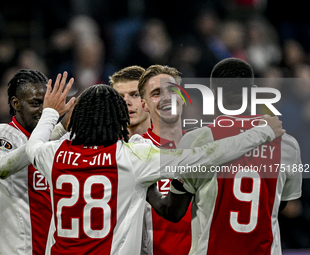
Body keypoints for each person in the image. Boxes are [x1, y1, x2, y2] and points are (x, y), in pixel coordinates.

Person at [25, 76, 284, 254]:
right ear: (119, 118)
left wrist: (50, 112)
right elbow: (206, 155)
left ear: (78, 119)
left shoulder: (53, 154)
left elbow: (32, 146)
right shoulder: (133, 157)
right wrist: (261, 134)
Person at [147, 58, 302, 255]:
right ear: (253, 91)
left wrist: (147, 186)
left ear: (213, 93)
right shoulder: (287, 144)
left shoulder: (196, 141)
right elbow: (280, 205)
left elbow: (174, 211)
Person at [0, 69, 75, 255]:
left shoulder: (53, 142)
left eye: (46, 104)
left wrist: (63, 127)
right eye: (35, 103)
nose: (43, 110)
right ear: (16, 103)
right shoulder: (0, 134)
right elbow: (1, 168)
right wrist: (51, 121)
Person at [137, 64, 191, 255]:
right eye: (156, 93)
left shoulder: (203, 147)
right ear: (144, 105)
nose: (167, 98)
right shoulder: (134, 152)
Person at [109, 65, 151, 137]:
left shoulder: (170, 144)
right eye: (120, 97)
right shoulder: (100, 145)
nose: (126, 102)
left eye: (135, 95)